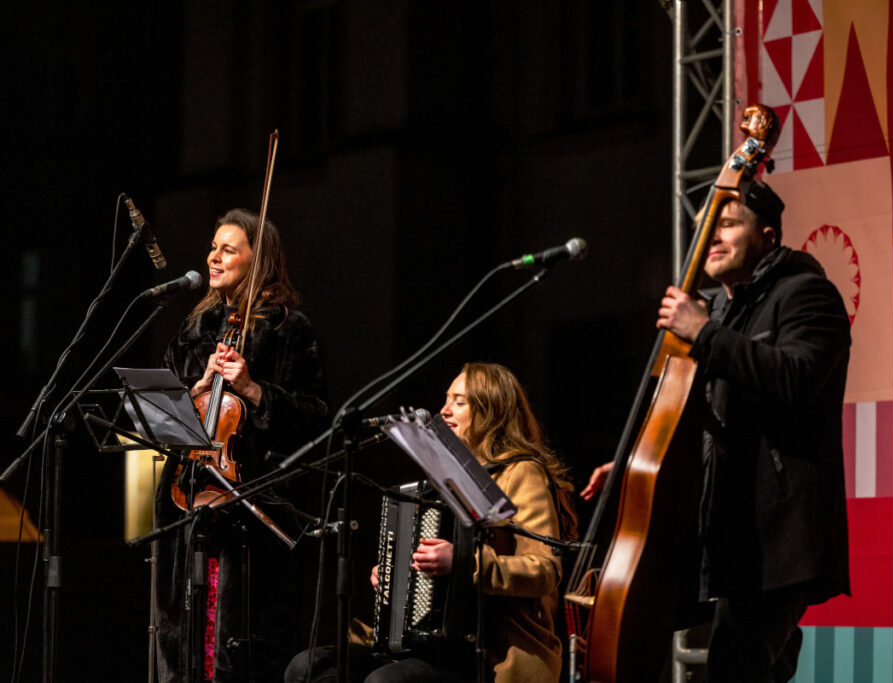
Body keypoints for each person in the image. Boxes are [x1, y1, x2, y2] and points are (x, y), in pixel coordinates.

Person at [581, 181, 850, 682]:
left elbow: (797, 379)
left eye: (727, 224)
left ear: (767, 236)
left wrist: (704, 334)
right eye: (706, 229)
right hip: (732, 528)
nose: (712, 238)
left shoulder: (807, 293)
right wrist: (643, 461)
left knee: (736, 664)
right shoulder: (725, 312)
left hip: (777, 531)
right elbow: (712, 422)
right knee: (752, 662)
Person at [286, 362, 578, 683]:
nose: (444, 410)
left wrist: (464, 563)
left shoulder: (521, 473)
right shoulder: (448, 473)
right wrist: (397, 575)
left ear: (492, 410)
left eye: (459, 402)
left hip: (489, 649)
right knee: (308, 667)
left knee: (385, 682)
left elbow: (544, 572)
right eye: (446, 399)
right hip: (430, 645)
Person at [154, 208, 330, 682]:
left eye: (228, 250)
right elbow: (162, 417)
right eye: (213, 248)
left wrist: (253, 390)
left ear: (258, 260)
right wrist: (196, 388)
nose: (213, 257)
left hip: (252, 514)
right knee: (182, 644)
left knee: (241, 650)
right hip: (187, 502)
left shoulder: (288, 330)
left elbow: (318, 419)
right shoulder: (196, 328)